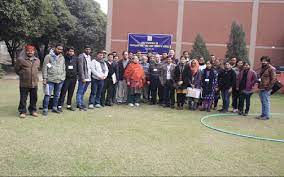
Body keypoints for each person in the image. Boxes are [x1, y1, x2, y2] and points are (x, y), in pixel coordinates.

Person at [15, 45, 40, 118]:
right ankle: (22, 111)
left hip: (34, 83)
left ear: (34, 51)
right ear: (26, 51)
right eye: (28, 51)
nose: (30, 52)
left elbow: (37, 69)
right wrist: (23, 75)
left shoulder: (37, 60)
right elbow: (16, 69)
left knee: (34, 98)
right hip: (24, 83)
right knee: (23, 98)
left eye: (31, 51)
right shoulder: (20, 59)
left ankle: (33, 110)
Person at [42, 44, 66, 116]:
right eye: (58, 49)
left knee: (57, 95)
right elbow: (44, 68)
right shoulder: (48, 56)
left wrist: (63, 77)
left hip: (60, 80)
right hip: (50, 80)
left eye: (61, 49)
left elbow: (63, 67)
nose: (60, 51)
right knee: (47, 95)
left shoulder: (62, 57)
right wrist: (44, 78)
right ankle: (45, 109)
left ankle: (54, 108)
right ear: (55, 48)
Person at [58, 47, 78, 112]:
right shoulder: (64, 58)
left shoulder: (76, 58)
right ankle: (60, 105)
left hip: (74, 78)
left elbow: (77, 67)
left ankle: (69, 105)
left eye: (72, 51)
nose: (71, 52)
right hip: (66, 78)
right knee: (63, 92)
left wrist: (76, 74)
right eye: (70, 51)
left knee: (71, 92)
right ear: (67, 52)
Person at [76, 45, 92, 111]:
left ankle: (81, 103)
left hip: (88, 77)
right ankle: (79, 104)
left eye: (89, 49)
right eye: (87, 49)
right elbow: (80, 68)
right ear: (84, 49)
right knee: (80, 91)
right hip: (83, 78)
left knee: (83, 91)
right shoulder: (81, 57)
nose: (88, 50)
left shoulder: (89, 57)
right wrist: (82, 78)